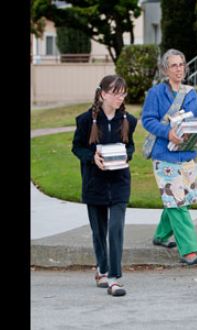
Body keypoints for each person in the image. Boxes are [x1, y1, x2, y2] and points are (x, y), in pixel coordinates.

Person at [141, 49, 197, 265]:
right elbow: (147, 120)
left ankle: (161, 236)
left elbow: (193, 120)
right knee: (177, 204)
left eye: (181, 64)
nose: (179, 69)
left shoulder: (191, 93)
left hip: (187, 154)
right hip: (164, 156)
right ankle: (189, 250)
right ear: (165, 69)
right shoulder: (155, 93)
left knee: (181, 199)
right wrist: (167, 133)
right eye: (174, 65)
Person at [72, 75, 138, 296]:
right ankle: (101, 267)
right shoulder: (84, 121)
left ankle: (114, 278)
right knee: (99, 231)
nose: (120, 97)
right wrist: (93, 157)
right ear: (103, 94)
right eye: (116, 93)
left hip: (120, 183)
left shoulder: (129, 120)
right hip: (94, 183)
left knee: (115, 228)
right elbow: (77, 148)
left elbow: (131, 147)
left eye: (123, 93)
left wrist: (125, 155)